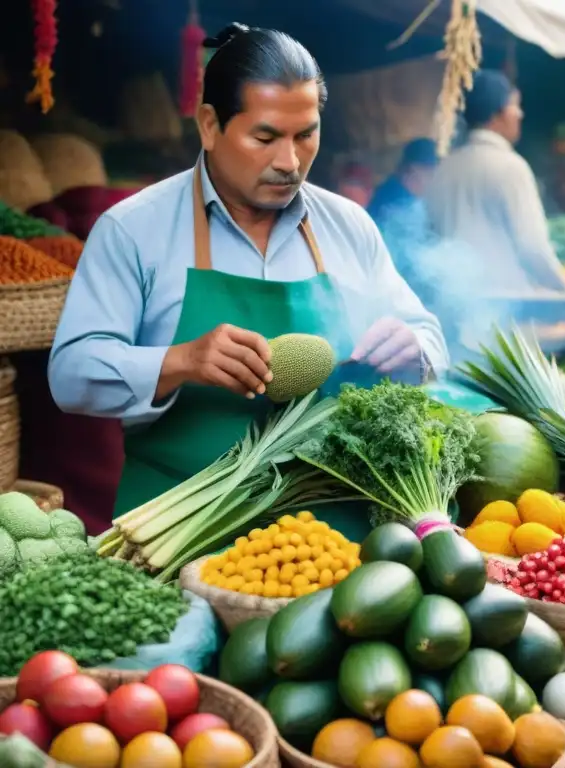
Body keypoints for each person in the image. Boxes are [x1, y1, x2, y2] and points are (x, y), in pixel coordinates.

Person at [48, 24, 447, 541]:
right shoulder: (133, 230)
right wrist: (180, 361)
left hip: (327, 534)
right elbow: (71, 373)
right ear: (210, 125)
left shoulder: (349, 226)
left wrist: (413, 345)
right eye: (265, 137)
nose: (289, 162)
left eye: (306, 135)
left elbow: (430, 337)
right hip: (176, 532)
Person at [424, 69, 565, 295]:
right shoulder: (510, 167)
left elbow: (429, 236)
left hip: (452, 301)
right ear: (497, 114)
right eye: (515, 106)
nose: (520, 115)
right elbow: (532, 246)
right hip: (502, 306)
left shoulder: (443, 168)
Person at [366, 138, 438, 286]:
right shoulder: (395, 201)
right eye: (431, 173)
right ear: (415, 169)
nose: (434, 180)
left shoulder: (404, 197)